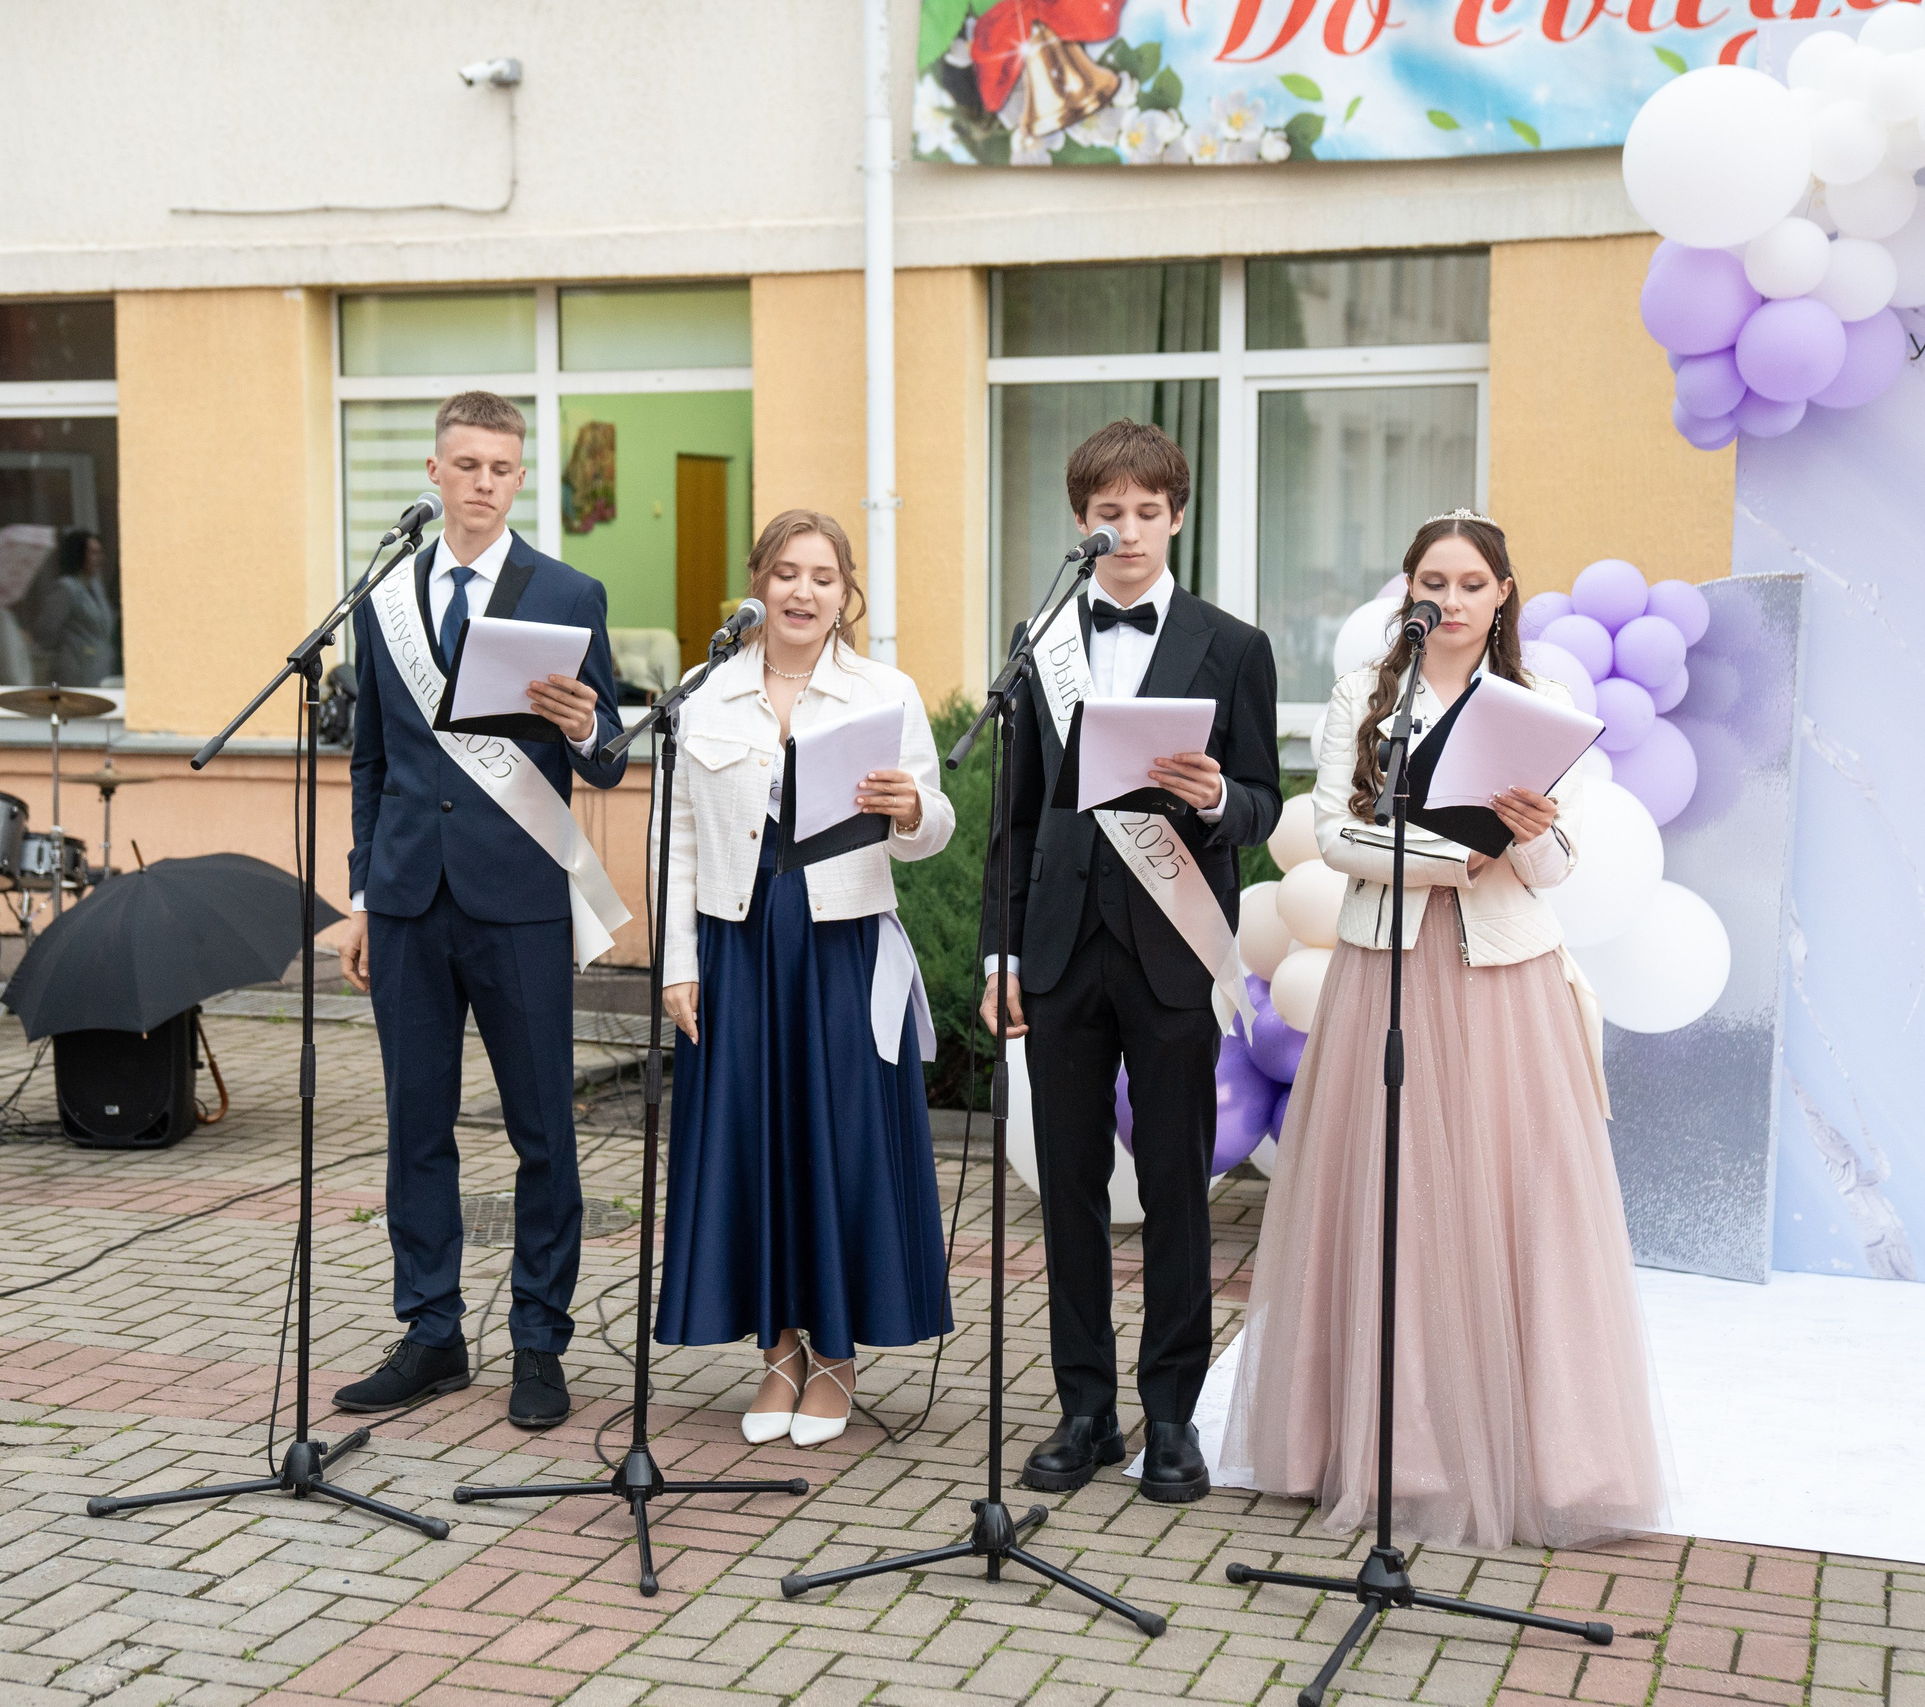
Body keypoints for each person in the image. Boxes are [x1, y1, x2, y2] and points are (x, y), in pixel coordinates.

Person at [1215, 509, 1668, 1550]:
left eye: (1471, 583)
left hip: (1503, 978)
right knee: (1390, 1206)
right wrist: (1447, 859)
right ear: (1406, 591)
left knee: (1515, 1210)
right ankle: (1388, 1449)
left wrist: (1533, 836)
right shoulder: (1364, 702)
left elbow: (1557, 870)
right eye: (1434, 582)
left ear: (1502, 593)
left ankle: (1543, 1454)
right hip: (1388, 972)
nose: (1452, 601)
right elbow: (1330, 834)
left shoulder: (1541, 705)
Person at [983, 420, 1282, 1504]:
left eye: (1147, 511)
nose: (1127, 529)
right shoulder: (1040, 639)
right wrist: (998, 951)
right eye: (1107, 512)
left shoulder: (1231, 643)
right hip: (1060, 948)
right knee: (1065, 1188)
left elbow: (1262, 800)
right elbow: (1010, 816)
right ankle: (1082, 1409)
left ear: (1177, 517)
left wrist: (1216, 799)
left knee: (1175, 1190)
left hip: (1170, 947)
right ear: (1080, 521)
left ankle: (1170, 1416)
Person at [333, 390, 631, 1432]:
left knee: (542, 1127)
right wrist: (364, 896)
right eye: (464, 465)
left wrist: (592, 723)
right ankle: (431, 1333)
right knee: (417, 1127)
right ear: (433, 471)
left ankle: (539, 1342)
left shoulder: (568, 589)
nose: (481, 483)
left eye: (500, 468)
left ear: (519, 478)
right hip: (411, 897)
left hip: (519, 900)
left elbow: (609, 757)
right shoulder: (382, 599)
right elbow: (369, 763)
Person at [654, 511, 956, 1448]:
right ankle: (778, 1353)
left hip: (840, 941)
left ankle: (836, 1357)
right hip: (737, 943)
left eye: (822, 576)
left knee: (837, 1140)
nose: (802, 591)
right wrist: (677, 962)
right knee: (754, 1141)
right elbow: (682, 838)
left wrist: (914, 809)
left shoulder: (884, 691)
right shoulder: (706, 694)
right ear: (758, 581)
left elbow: (933, 825)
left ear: (845, 591)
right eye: (785, 572)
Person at [25, 528, 120, 687]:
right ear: (79, 554)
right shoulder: (65, 588)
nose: (100, 558)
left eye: (100, 553)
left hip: (101, 671)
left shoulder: (96, 587)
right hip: (75, 672)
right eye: (93, 553)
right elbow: (47, 632)